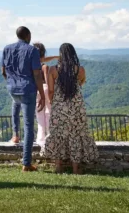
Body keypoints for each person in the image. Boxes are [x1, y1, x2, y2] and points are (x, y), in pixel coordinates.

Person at [43, 43, 98, 174]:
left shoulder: (53, 70)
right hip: (76, 107)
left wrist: (53, 102)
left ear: (60, 54)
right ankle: (75, 168)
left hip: (59, 107)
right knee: (76, 135)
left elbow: (50, 90)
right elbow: (81, 83)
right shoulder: (80, 70)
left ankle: (58, 166)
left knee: (58, 135)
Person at [1, 26, 46, 172]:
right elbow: (37, 75)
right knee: (28, 126)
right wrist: (42, 95)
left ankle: (15, 135)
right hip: (28, 89)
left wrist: (11, 82)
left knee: (15, 105)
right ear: (28, 35)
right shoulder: (32, 50)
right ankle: (26, 163)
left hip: (12, 88)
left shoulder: (7, 49)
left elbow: (3, 71)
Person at [32, 42, 57, 151]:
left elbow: (44, 59)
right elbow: (47, 80)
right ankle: (49, 137)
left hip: (35, 90)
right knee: (48, 113)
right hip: (45, 88)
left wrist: (55, 57)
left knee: (39, 115)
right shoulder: (45, 67)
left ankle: (40, 139)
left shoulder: (32, 64)